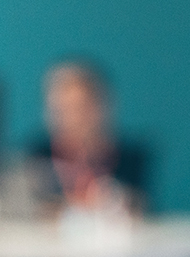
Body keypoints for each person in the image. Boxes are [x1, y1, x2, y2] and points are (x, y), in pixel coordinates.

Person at [28, 59, 148, 216]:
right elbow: (34, 210)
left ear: (102, 105)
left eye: (81, 107)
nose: (74, 118)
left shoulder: (130, 156)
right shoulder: (36, 156)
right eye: (64, 109)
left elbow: (141, 208)